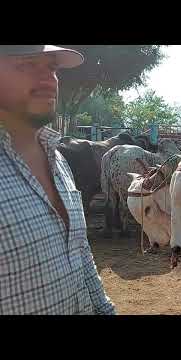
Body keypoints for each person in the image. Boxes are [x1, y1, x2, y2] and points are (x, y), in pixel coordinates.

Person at [0, 45, 116, 314]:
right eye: (25, 65)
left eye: (51, 68)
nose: (48, 80)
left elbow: (80, 252)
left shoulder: (58, 159)